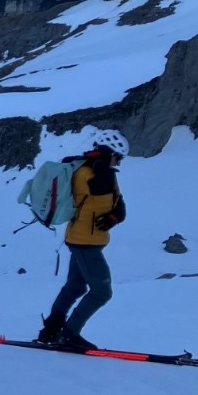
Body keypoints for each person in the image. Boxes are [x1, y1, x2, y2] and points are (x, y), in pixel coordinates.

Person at [38, 131, 128, 351]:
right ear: (109, 153)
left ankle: (51, 330)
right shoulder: (88, 172)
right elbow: (100, 190)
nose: (119, 162)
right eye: (118, 157)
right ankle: (69, 334)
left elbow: (116, 203)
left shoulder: (97, 170)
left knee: (75, 287)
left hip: (85, 239)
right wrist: (102, 165)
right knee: (102, 292)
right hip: (85, 242)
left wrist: (115, 216)